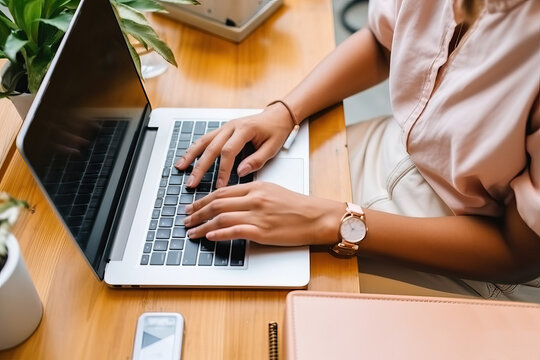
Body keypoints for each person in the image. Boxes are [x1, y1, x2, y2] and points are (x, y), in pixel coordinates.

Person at [175, 0, 540, 301]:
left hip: (475, 253)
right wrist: (285, 112)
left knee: (266, 302)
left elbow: (518, 254)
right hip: (396, 152)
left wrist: (330, 221)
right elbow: (384, 43)